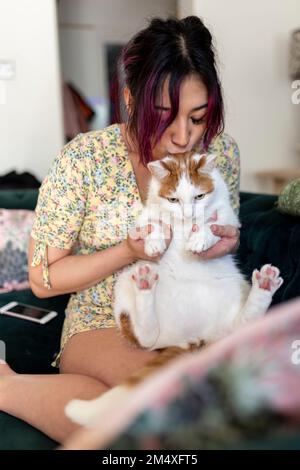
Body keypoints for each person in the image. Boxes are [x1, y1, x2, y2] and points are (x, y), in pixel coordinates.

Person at [0, 16, 240, 444]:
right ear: (130, 98)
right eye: (164, 116)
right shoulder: (85, 159)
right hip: (105, 321)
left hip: (189, 317)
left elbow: (221, 237)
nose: (184, 136)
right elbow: (42, 280)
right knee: (174, 412)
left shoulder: (219, 152)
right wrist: (129, 251)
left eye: (198, 118)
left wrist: (224, 242)